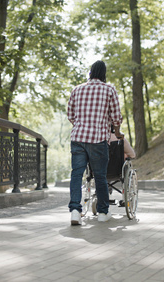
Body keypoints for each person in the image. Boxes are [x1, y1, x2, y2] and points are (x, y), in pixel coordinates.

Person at [67, 60, 123, 225]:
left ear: (90, 73)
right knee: (100, 176)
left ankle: (75, 211)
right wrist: (117, 133)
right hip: (98, 140)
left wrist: (81, 126)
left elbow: (70, 115)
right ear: (104, 74)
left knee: (76, 174)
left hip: (78, 138)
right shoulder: (109, 89)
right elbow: (116, 117)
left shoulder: (77, 89)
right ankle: (102, 213)